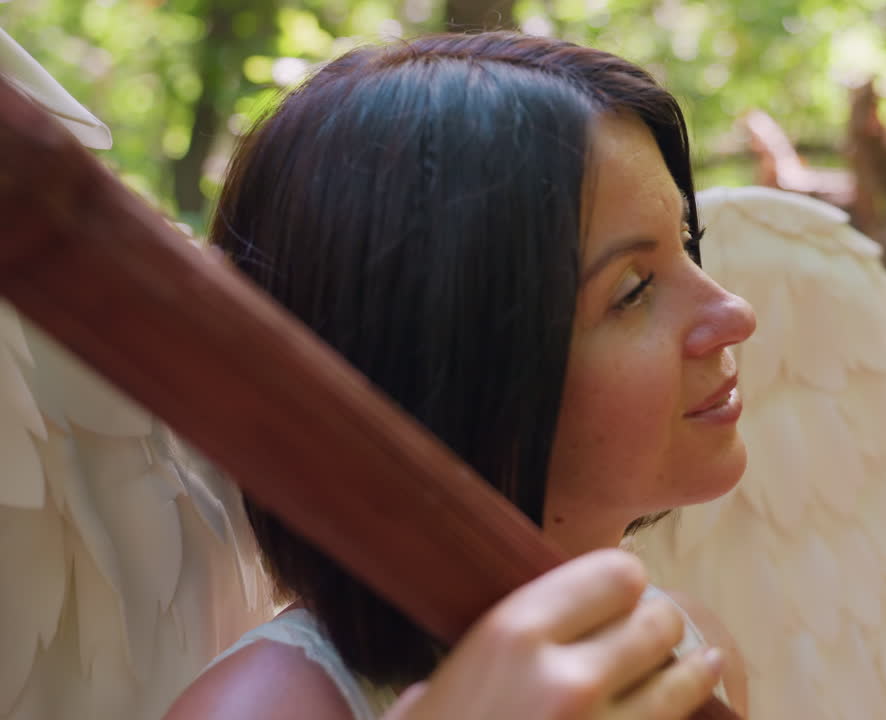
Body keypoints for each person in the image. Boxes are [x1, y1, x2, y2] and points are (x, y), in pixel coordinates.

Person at [162, 31, 756, 720]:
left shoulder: (694, 651)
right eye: (630, 289)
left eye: (688, 245)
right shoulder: (264, 709)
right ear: (445, 353)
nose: (732, 312)